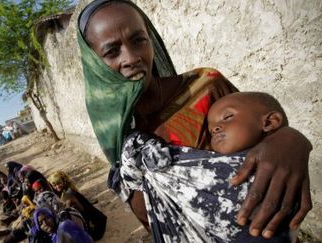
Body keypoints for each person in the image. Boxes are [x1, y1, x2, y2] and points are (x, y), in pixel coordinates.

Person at [77, 0, 312, 240]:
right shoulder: (122, 141)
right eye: (111, 51)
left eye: (139, 40)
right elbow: (156, 219)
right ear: (94, 65)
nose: (132, 58)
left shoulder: (206, 87)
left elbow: (265, 131)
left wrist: (291, 139)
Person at [120, 92, 298, 241]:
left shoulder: (281, 164)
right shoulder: (205, 166)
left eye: (227, 117)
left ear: (270, 122)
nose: (216, 129)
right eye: (211, 130)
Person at [48, 171, 107, 240]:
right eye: (54, 185)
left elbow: (82, 209)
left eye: (59, 183)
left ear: (63, 181)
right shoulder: (65, 191)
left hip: (88, 219)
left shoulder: (68, 194)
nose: (57, 186)